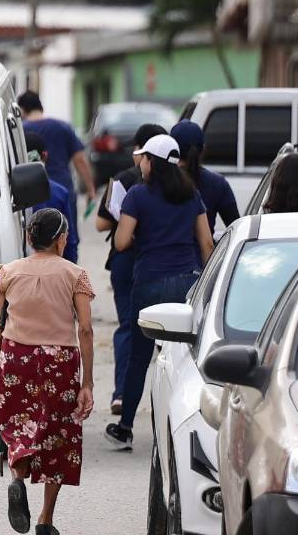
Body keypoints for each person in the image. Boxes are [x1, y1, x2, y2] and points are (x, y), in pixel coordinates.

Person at [0, 209, 95, 535]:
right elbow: (86, 331)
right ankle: (46, 520)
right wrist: (87, 383)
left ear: (29, 238)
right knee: (58, 438)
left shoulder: (7, 273)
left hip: (15, 359)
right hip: (57, 364)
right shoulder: (76, 275)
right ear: (61, 239)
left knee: (21, 428)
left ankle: (18, 479)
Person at [105, 135, 214, 451]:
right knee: (182, 359)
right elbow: (206, 243)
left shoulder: (138, 196)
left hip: (150, 282)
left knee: (139, 359)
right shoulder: (191, 195)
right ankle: (181, 428)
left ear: (151, 161)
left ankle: (125, 427)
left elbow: (121, 242)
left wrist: (146, 237)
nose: (140, 163)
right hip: (186, 283)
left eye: (143, 158)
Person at [94, 122, 168, 415]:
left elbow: (101, 223)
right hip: (163, 263)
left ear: (142, 153)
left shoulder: (124, 180)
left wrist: (126, 219)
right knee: (168, 330)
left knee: (128, 325)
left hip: (127, 262)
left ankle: (121, 394)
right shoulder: (180, 184)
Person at [19, 91, 97, 217]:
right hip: (63, 190)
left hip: (32, 194)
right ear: (41, 106)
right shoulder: (63, 127)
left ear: (22, 110)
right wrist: (90, 189)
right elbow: (80, 160)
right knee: (67, 233)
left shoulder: (20, 130)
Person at [170, 120, 240, 231]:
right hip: (205, 248)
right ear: (203, 148)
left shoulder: (159, 181)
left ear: (171, 150)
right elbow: (236, 226)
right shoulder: (217, 183)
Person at [25, 132, 79, 263]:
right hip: (53, 266)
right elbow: (69, 237)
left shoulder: (8, 192)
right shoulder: (59, 192)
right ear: (45, 156)